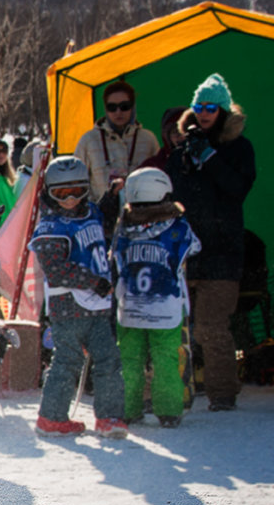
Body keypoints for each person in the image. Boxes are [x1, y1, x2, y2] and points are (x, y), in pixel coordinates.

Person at [165, 73, 256, 412]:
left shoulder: (239, 148)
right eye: (199, 107)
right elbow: (169, 193)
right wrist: (185, 159)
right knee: (174, 328)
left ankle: (222, 393)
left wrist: (211, 159)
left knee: (211, 327)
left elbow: (237, 189)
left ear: (223, 111)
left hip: (223, 251)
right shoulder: (184, 146)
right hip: (186, 251)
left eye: (211, 108)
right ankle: (172, 389)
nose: (204, 113)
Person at [28, 156, 127, 438]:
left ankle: (109, 417)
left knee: (108, 359)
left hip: (97, 308)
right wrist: (92, 281)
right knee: (68, 360)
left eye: (76, 191)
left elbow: (102, 221)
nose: (69, 199)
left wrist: (111, 197)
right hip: (67, 308)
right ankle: (52, 417)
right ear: (49, 192)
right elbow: (56, 270)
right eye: (61, 193)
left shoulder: (91, 213)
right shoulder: (50, 228)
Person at [111, 168, 200, 427]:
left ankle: (128, 409)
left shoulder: (124, 226)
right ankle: (169, 410)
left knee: (129, 360)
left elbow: (114, 257)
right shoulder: (178, 225)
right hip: (165, 307)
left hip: (130, 307)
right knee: (166, 359)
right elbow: (194, 247)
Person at [73, 80, 159, 204]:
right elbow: (77, 181)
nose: (118, 112)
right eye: (112, 107)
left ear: (133, 107)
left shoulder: (148, 139)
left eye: (124, 106)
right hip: (101, 216)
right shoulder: (89, 140)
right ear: (106, 109)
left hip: (140, 214)